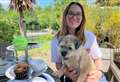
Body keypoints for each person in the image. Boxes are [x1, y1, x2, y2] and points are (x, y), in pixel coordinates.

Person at [51, 2, 107, 82]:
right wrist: (68, 74)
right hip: (72, 76)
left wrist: (98, 73)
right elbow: (59, 64)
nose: (74, 17)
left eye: (78, 14)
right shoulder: (56, 40)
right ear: (65, 16)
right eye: (71, 13)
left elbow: (97, 59)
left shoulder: (89, 36)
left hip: (92, 76)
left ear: (82, 18)